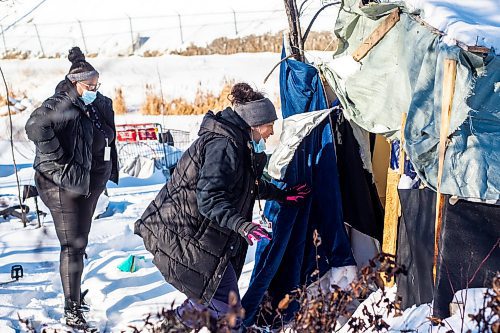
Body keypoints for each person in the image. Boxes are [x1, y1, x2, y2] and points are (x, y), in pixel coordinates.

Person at [134, 83, 311, 330]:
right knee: (229, 313)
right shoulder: (224, 146)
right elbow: (210, 199)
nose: (271, 132)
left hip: (199, 235)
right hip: (184, 235)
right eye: (270, 125)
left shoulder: (238, 143)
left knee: (204, 302)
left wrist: (282, 195)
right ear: (256, 124)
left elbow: (242, 186)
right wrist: (243, 226)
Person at [25, 46, 118, 330]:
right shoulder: (61, 103)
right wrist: (58, 158)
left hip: (87, 182)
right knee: (72, 246)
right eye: (89, 86)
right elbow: (35, 127)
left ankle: (76, 295)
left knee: (81, 241)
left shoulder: (97, 102)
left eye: (96, 85)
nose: (94, 89)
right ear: (75, 84)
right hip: (60, 184)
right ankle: (72, 310)